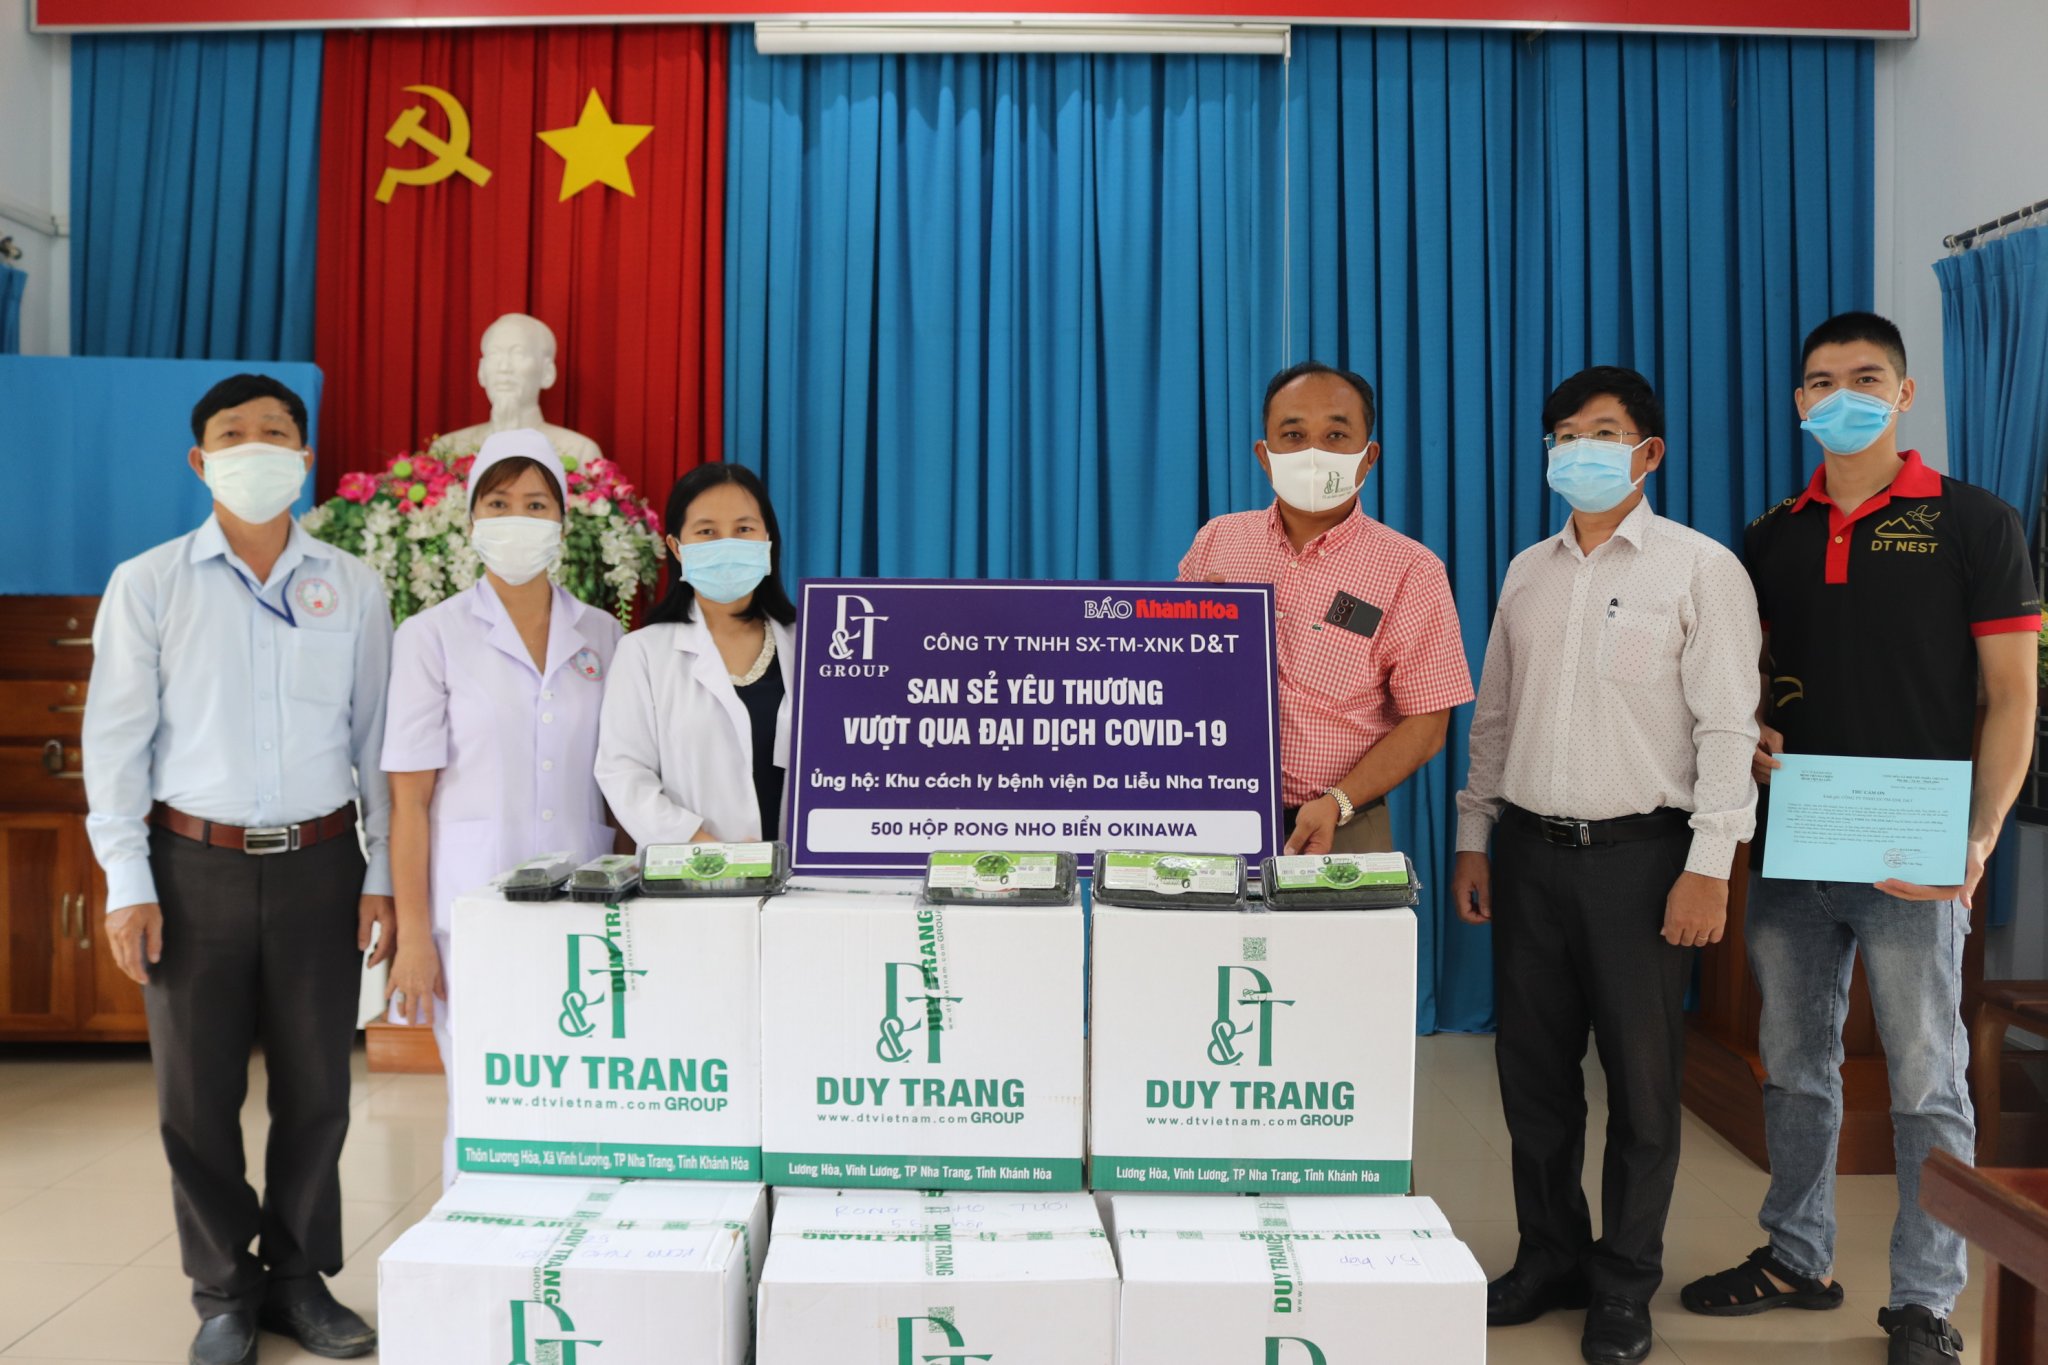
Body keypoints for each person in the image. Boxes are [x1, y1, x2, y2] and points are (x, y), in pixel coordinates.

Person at [1679, 312, 2042, 1364]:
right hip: (1793, 846)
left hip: (1913, 857)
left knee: (1928, 1078)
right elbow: (1742, 686)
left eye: (1865, 377)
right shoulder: (1768, 535)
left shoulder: (1976, 522)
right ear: (1797, 403)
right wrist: (1746, 735)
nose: (1841, 394)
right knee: (1793, 1067)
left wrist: (1977, 838)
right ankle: (1796, 1255)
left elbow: (2012, 695)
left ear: (1904, 394)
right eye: (1820, 381)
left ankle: (1925, 1302)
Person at [1450, 367, 1761, 1365]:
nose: (1579, 449)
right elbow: (1491, 715)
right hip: (1528, 855)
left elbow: (1725, 729)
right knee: (1532, 1081)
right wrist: (1472, 831)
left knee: (1639, 1086)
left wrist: (1708, 864)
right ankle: (1550, 1256)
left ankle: (1624, 1284)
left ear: (1646, 453)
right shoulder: (1522, 572)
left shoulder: (1698, 570)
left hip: (1642, 862)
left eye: (1602, 432)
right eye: (1564, 435)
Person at [81, 374, 392, 1365]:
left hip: (320, 863)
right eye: (232, 433)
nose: (253, 447)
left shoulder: (355, 584)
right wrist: (128, 880)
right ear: (199, 459)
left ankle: (300, 1282)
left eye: (274, 433)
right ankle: (223, 1289)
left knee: (318, 1090)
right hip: (190, 865)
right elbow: (115, 744)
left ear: (304, 460)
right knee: (194, 1093)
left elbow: (377, 740)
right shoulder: (151, 581)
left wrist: (378, 872)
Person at [379, 429, 625, 1187]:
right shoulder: (431, 636)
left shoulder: (604, 636)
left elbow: (619, 784)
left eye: (535, 502)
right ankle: (478, 1255)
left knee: (580, 1091)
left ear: (561, 521)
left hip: (584, 905)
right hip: (473, 911)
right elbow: (409, 799)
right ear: (473, 518)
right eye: (498, 501)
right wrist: (414, 935)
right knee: (486, 1098)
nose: (516, 517)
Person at [1178, 360, 1473, 854]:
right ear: (1265, 455)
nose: (1313, 453)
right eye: (1292, 435)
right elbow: (1165, 665)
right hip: (1211, 817)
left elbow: (1427, 725)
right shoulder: (1219, 541)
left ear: (1368, 455)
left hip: (1340, 826)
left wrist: (1339, 801)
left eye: (1336, 436)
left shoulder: (1410, 569)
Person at [597, 463, 796, 845]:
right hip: (694, 881)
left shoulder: (811, 645)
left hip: (804, 883)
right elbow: (623, 773)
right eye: (707, 532)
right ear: (676, 546)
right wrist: (707, 852)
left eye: (744, 529)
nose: (727, 544)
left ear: (767, 540)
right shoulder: (643, 653)